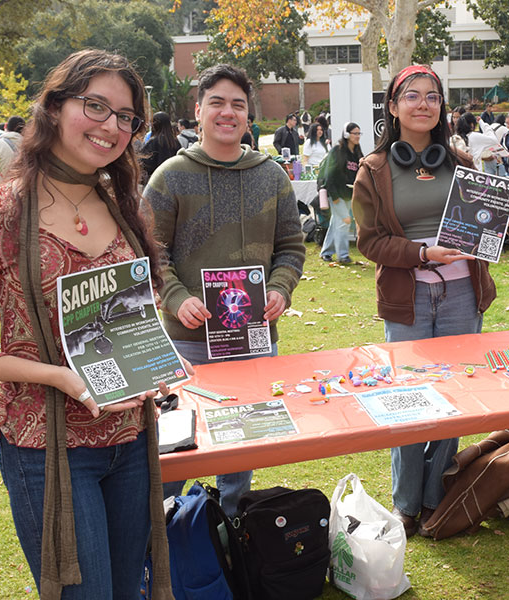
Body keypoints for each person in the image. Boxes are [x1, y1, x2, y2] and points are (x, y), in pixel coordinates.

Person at [0, 49, 179, 599]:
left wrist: (157, 354)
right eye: (96, 106)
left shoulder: (122, 204)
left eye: (126, 117)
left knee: (126, 591)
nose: (111, 126)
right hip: (49, 450)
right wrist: (60, 377)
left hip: (132, 440)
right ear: (53, 107)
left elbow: (130, 312)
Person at [352, 64, 509, 539]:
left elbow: (483, 225)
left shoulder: (463, 163)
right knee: (406, 402)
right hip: (407, 300)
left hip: (463, 295)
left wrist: (498, 219)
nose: (423, 104)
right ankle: (406, 503)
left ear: (442, 107)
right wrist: (421, 253)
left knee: (455, 399)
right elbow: (369, 242)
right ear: (393, 106)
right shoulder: (374, 170)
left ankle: (433, 496)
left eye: (432, 96)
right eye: (412, 96)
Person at [145, 63, 306, 519]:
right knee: (176, 448)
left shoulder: (271, 175)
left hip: (254, 338)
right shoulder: (170, 177)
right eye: (217, 102)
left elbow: (291, 248)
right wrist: (177, 298)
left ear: (249, 115)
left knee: (243, 444)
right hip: (187, 341)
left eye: (238, 104)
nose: (227, 112)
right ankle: (160, 535)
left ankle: (234, 528)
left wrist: (279, 289)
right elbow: (150, 254)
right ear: (198, 111)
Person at [318, 122, 363, 263]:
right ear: (346, 134)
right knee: (345, 221)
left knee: (336, 222)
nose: (357, 136)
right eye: (355, 133)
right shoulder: (337, 151)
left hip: (349, 194)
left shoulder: (356, 152)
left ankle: (326, 252)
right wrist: (335, 197)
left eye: (359, 133)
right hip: (336, 193)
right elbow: (329, 175)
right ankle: (343, 256)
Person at [140, 111, 180, 182]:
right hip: (173, 180)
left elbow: (143, 162)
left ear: (155, 124)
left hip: (156, 181)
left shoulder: (153, 141)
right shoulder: (175, 142)